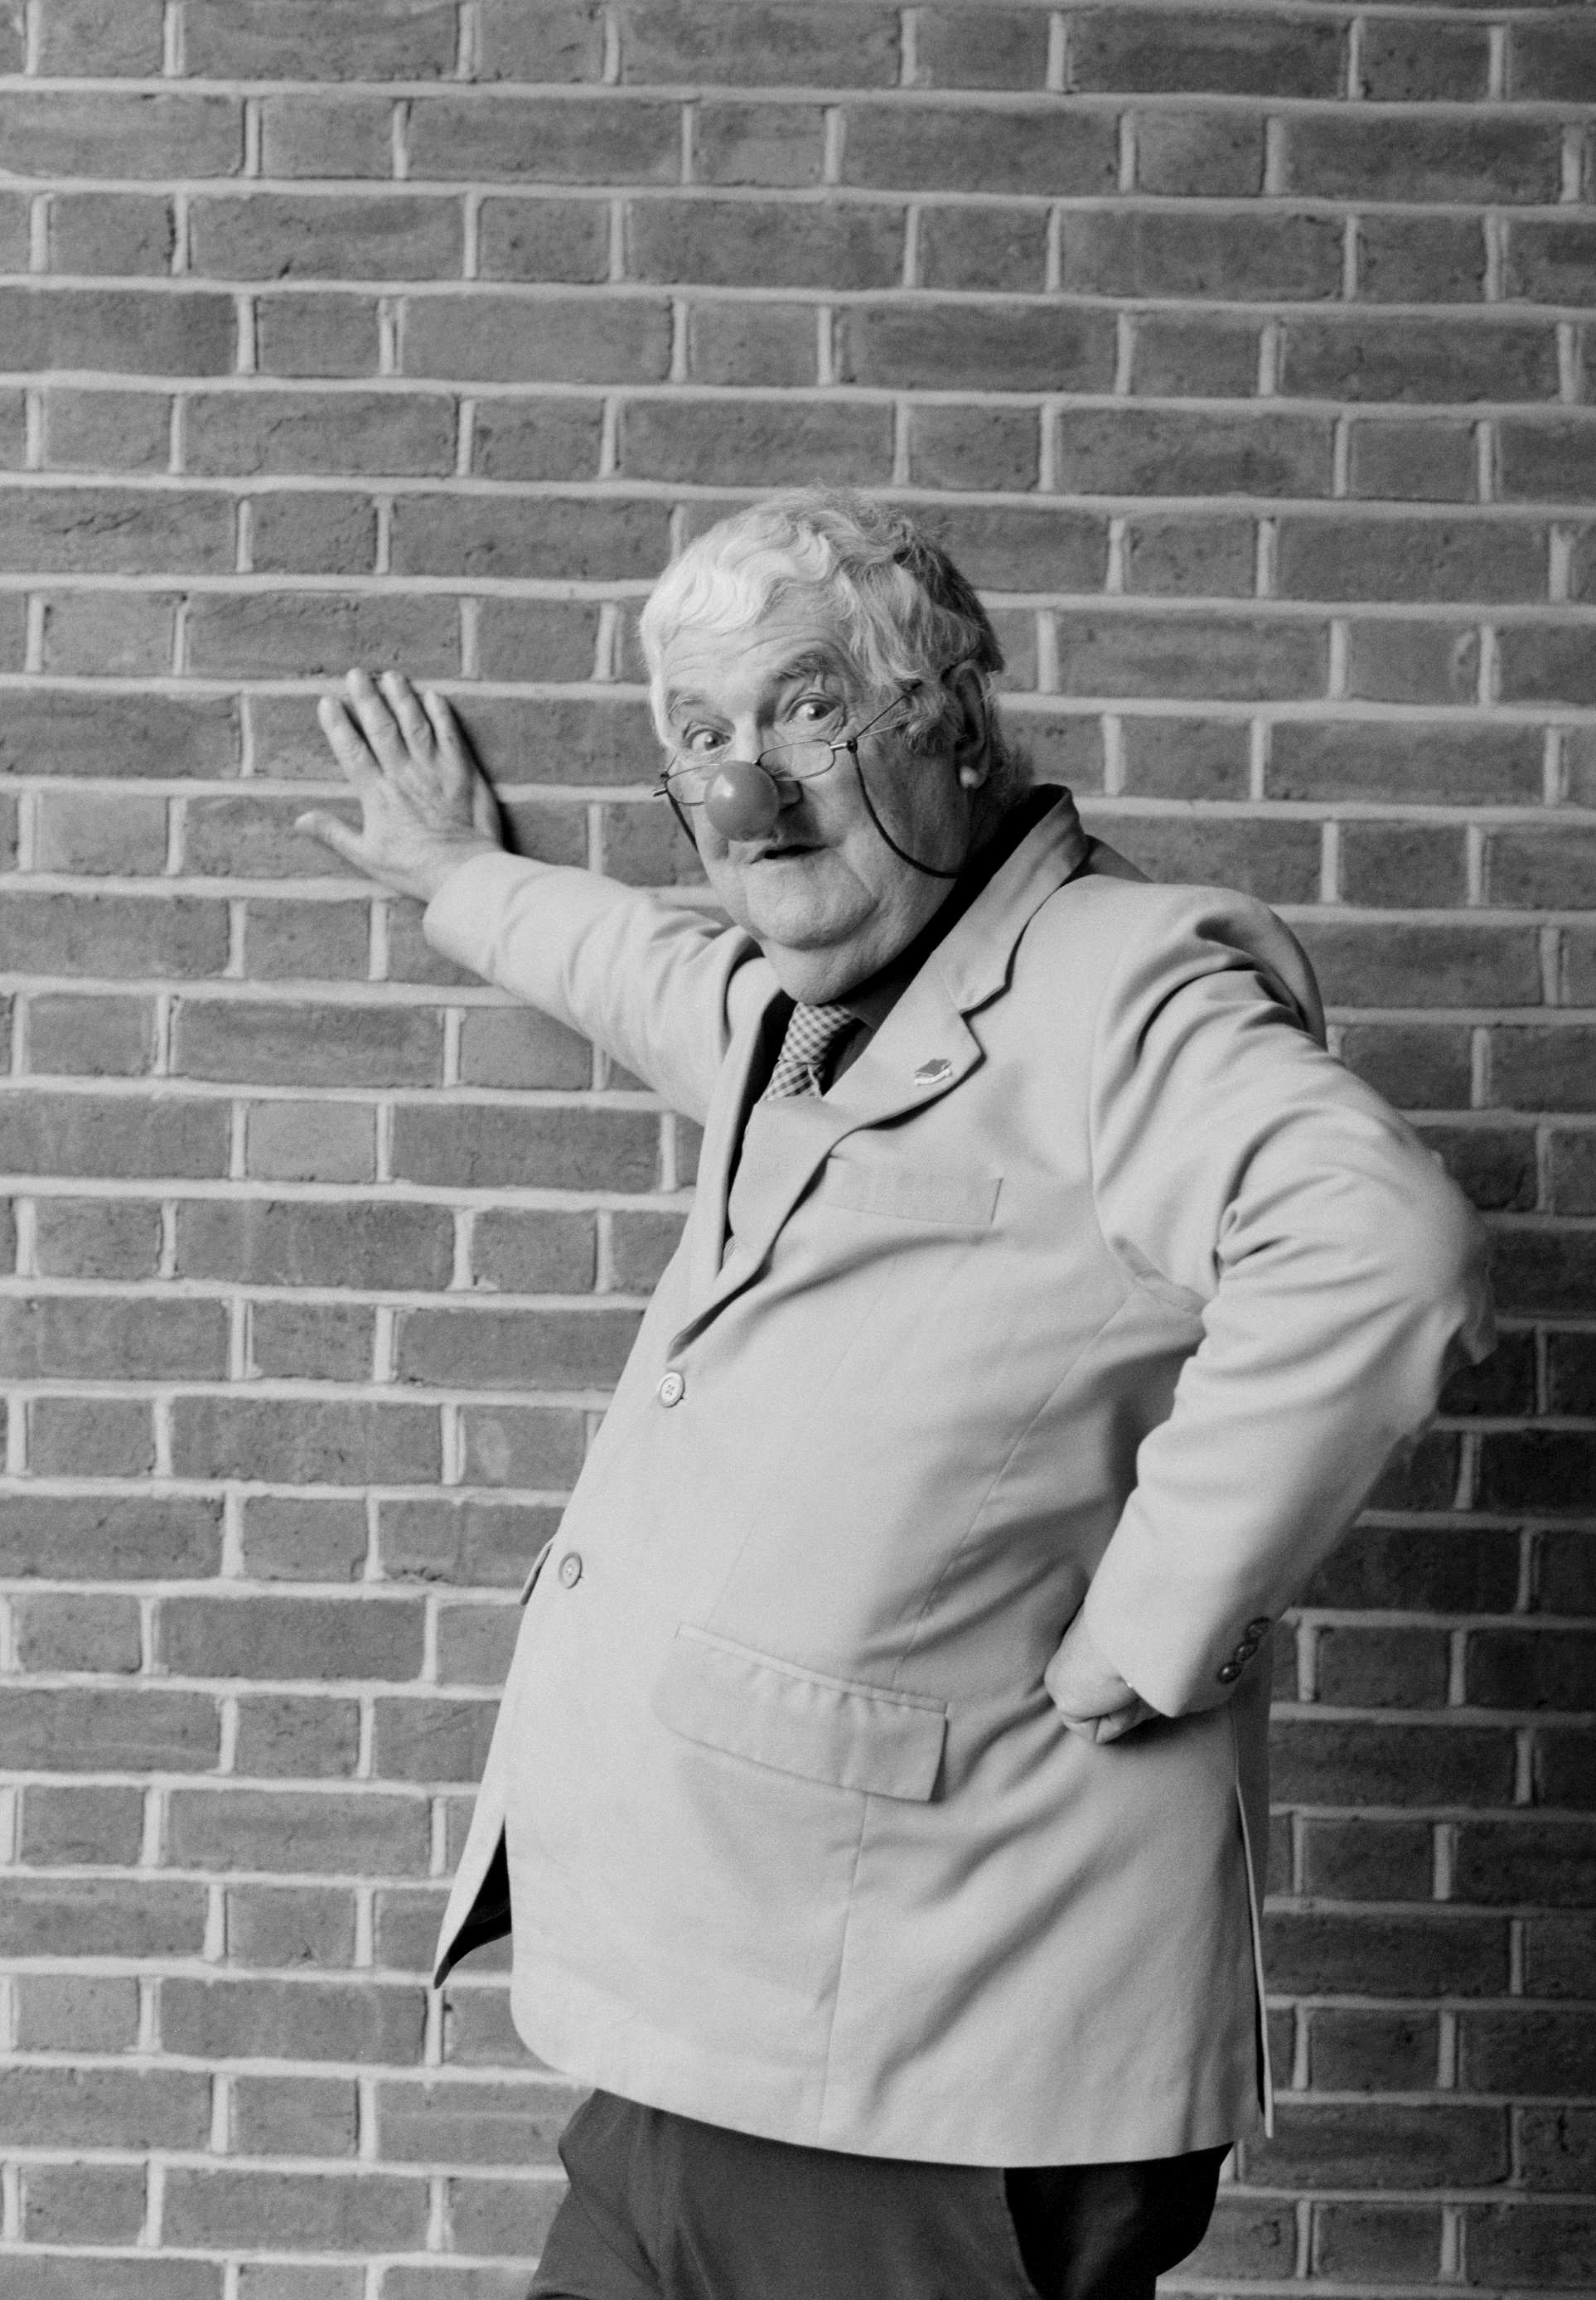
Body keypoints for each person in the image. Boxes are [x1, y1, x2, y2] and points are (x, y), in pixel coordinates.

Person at [303, 490, 1492, 2300]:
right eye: (699, 738)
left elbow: (1380, 1245)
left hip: (926, 2067)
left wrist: (1153, 1625)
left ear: (953, 724)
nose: (746, 796)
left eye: (806, 713)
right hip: (720, 2030)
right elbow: (657, 974)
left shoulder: (1120, 983)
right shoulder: (817, 1005)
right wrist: (459, 875)